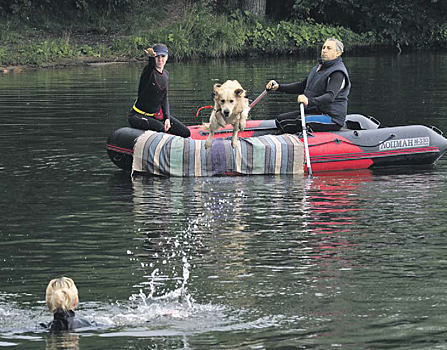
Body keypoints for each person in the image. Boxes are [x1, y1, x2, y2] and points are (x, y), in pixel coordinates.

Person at [266, 38, 351, 134]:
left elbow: (330, 97)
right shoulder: (317, 69)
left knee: (294, 123)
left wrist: (308, 101)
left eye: (329, 48)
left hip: (332, 117)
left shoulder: (338, 73)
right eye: (323, 47)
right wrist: (279, 87)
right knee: (280, 120)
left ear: (338, 53)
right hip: (316, 111)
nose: (324, 50)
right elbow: (302, 86)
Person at [128, 43, 191, 138]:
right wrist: (150, 58)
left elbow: (164, 97)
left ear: (167, 57)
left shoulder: (166, 74)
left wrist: (167, 118)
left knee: (185, 132)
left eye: (163, 56)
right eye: (157, 57)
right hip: (138, 116)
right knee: (161, 129)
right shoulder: (148, 72)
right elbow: (150, 67)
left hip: (156, 116)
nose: (160, 59)